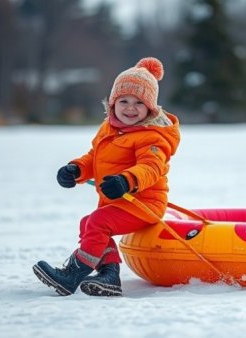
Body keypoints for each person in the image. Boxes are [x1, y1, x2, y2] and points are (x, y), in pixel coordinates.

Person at [33, 57, 180, 297]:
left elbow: (151, 167)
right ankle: (109, 275)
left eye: (138, 103)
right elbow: (94, 157)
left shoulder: (152, 136)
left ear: (150, 108)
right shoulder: (110, 128)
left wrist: (127, 180)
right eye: (124, 101)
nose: (130, 108)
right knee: (88, 223)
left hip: (144, 203)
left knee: (98, 222)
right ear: (112, 103)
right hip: (118, 200)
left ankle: (74, 273)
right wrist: (76, 170)